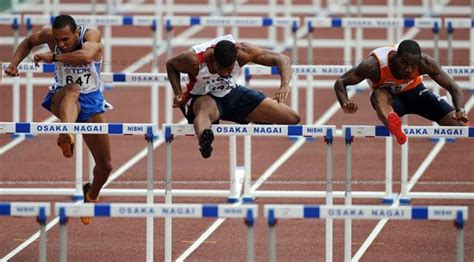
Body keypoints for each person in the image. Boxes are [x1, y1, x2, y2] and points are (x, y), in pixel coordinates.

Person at [4, 14, 112, 225]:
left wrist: (53, 58)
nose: (60, 44)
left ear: (75, 33)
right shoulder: (50, 37)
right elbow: (28, 41)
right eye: (57, 40)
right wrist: (14, 64)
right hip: (61, 98)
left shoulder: (91, 35)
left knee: (105, 166)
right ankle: (68, 133)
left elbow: (87, 57)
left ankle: (90, 194)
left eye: (66, 40)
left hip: (91, 102)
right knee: (72, 90)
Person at [166, 35, 301, 158]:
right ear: (213, 61)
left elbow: (282, 59)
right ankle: (204, 139)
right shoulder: (193, 60)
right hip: (200, 97)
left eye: (229, 69)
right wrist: (178, 93)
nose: (225, 73)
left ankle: (255, 116)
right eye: (221, 69)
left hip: (230, 93)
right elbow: (171, 65)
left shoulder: (243, 52)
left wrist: (284, 85)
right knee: (206, 107)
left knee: (292, 118)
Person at [334, 39, 469, 145]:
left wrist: (460, 109)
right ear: (395, 57)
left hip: (416, 93)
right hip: (391, 100)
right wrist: (345, 102)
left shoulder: (425, 63)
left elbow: (453, 87)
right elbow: (341, 82)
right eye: (404, 63)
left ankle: (443, 106)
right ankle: (394, 127)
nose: (409, 70)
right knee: (378, 94)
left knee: (460, 126)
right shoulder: (373, 65)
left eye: (413, 65)